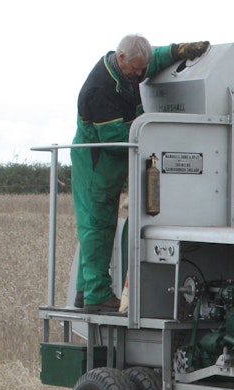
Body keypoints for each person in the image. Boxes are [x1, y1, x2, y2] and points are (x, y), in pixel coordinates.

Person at [72, 34, 209, 312]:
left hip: (113, 163)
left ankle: (84, 290)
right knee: (97, 226)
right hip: (96, 162)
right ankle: (96, 296)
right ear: (120, 58)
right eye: (134, 69)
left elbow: (152, 59)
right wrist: (152, 127)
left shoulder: (131, 65)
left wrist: (177, 51)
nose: (138, 75)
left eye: (140, 69)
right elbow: (113, 136)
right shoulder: (99, 89)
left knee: (100, 227)